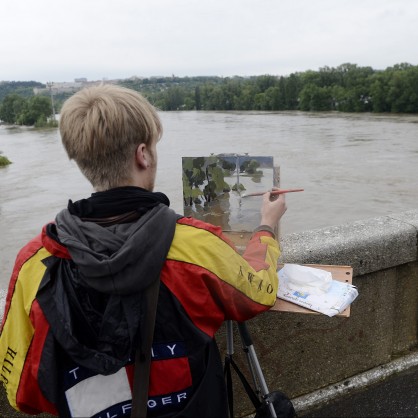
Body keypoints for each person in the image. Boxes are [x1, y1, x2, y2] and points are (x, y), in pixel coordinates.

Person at [0, 84, 287, 418]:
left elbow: (20, 390)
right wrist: (266, 227)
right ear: (143, 155)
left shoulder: (36, 261)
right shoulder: (193, 245)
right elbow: (258, 292)